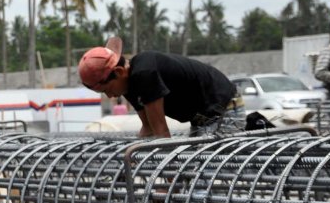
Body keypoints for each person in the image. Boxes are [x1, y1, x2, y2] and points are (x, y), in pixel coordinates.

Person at [78, 37, 241, 138]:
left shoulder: (145, 74)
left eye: (106, 90)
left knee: (203, 177)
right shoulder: (128, 86)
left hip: (223, 108)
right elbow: (148, 128)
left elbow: (161, 133)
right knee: (194, 172)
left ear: (119, 72)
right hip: (202, 119)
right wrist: (129, 159)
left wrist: (166, 187)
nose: (110, 96)